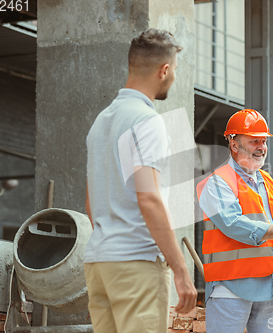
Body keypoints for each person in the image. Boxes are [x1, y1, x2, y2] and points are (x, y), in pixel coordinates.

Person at [84, 28, 197, 333]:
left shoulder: (101, 122)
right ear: (163, 70)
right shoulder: (147, 122)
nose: (173, 77)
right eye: (174, 70)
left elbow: (91, 203)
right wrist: (180, 269)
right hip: (136, 264)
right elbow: (149, 198)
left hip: (99, 262)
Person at [196, 109, 273, 333]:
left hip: (270, 287)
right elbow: (233, 224)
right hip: (231, 288)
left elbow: (270, 228)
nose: (261, 147)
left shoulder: (267, 181)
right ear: (234, 145)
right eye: (254, 141)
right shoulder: (217, 182)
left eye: (263, 141)